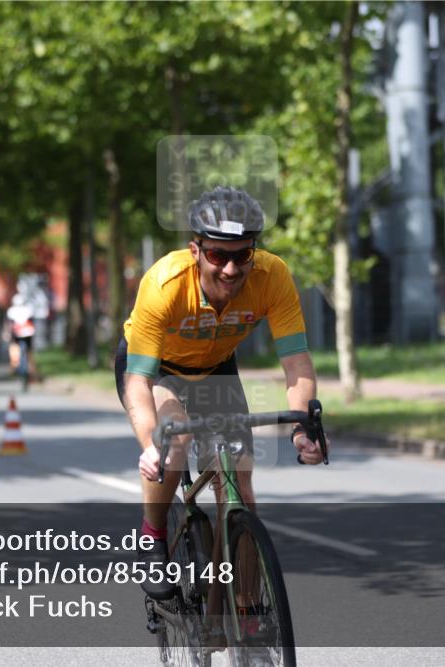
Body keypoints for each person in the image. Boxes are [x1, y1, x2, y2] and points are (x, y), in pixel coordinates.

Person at [115, 187, 325, 601]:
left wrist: (303, 428)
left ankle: (247, 616)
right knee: (175, 439)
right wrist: (149, 444)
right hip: (158, 371)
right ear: (195, 250)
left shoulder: (273, 276)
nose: (231, 268)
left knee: (241, 493)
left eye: (241, 255)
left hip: (214, 370)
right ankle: (152, 538)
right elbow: (138, 380)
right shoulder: (164, 283)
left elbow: (296, 361)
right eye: (217, 256)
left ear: (254, 251)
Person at [6, 293, 37, 383]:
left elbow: (9, 324)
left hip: (17, 335)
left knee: (14, 349)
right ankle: (31, 371)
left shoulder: (11, 311)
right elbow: (32, 322)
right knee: (29, 352)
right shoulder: (28, 309)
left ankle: (14, 368)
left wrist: (8, 333)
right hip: (28, 335)